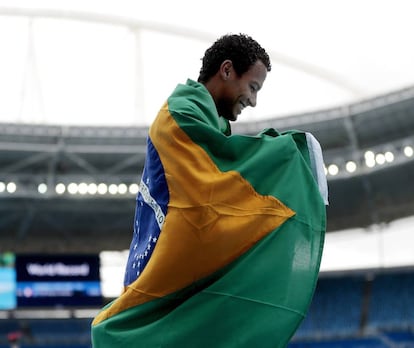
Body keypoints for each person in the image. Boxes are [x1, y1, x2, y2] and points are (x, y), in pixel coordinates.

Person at [92, 33, 327, 348]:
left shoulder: (206, 122)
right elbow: (209, 199)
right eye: (253, 87)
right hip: (162, 271)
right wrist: (291, 154)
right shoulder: (180, 115)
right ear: (227, 70)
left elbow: (222, 177)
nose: (253, 101)